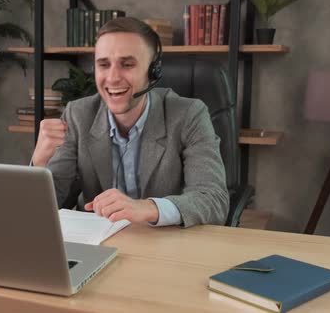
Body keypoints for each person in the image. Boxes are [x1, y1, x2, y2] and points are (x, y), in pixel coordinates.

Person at [31, 17, 229, 227]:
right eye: (104, 65)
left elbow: (213, 199)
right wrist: (39, 164)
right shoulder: (78, 115)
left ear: (153, 72)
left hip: (165, 245)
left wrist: (148, 208)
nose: (113, 77)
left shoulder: (188, 114)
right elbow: (49, 205)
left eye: (127, 64)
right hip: (98, 243)